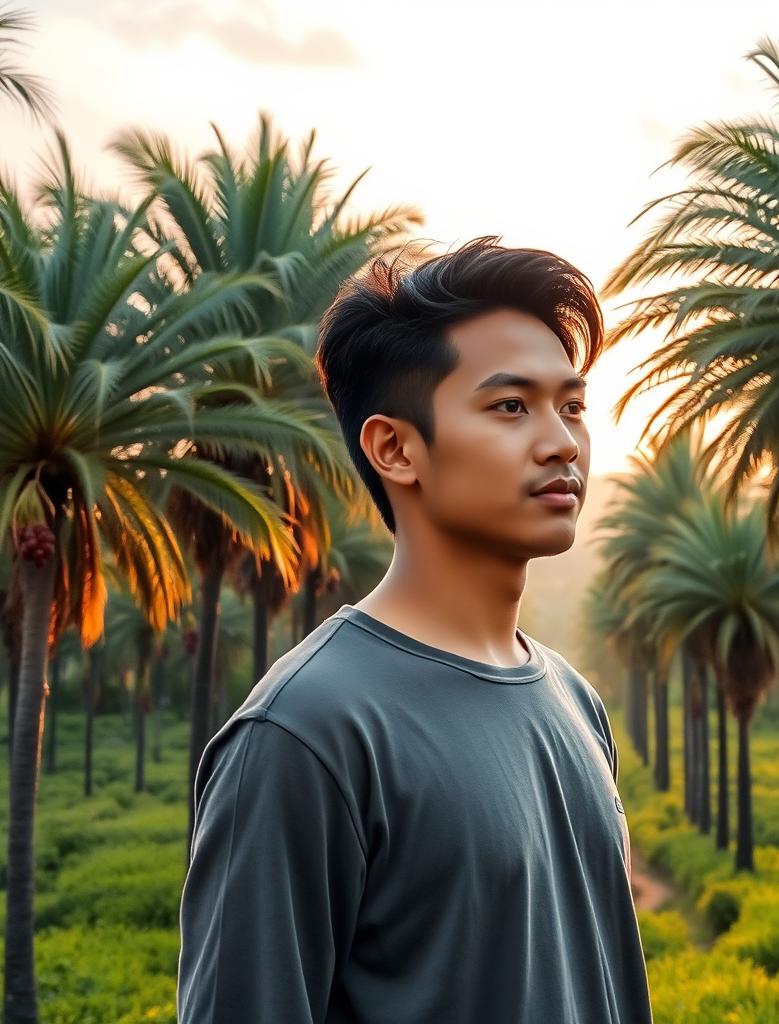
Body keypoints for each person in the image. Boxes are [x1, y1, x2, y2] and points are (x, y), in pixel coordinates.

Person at [176, 236, 653, 1023]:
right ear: (395, 448)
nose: (563, 442)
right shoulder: (304, 733)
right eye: (510, 406)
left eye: (572, 406)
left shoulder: (574, 701)